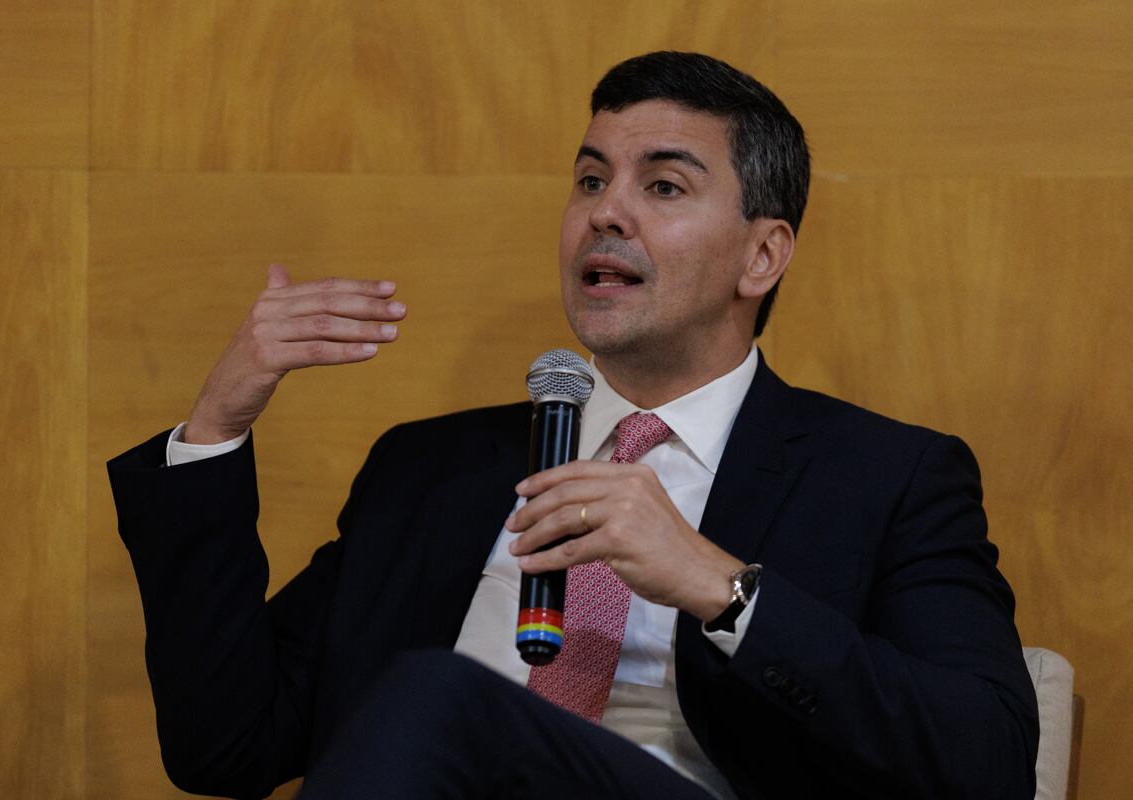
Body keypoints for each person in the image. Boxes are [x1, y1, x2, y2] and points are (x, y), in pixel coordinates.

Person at [108, 52, 1038, 799]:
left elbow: (987, 758)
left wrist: (722, 589)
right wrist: (215, 425)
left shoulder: (884, 477)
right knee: (436, 702)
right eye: (590, 179)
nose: (606, 212)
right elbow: (224, 747)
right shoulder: (430, 469)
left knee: (441, 694)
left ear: (762, 255)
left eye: (662, 187)